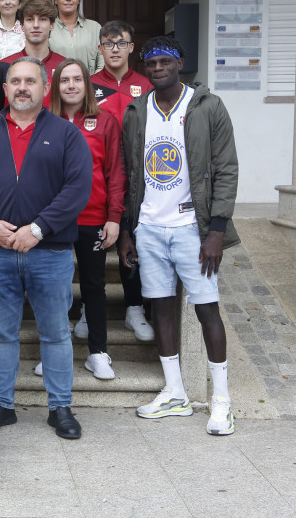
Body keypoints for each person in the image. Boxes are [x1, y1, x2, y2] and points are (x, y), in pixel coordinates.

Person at [0, 57, 92, 439]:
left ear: (43, 87)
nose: (21, 87)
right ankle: (1, 405)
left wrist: (38, 228)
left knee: (55, 333)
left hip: (49, 253)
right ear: (4, 89)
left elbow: (77, 189)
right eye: (14, 81)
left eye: (29, 81)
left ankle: (60, 407)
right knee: (0, 333)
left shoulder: (67, 134)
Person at [118, 36, 239, 436]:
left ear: (180, 63)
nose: (157, 68)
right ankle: (175, 393)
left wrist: (216, 230)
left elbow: (226, 168)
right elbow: (130, 173)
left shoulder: (207, 106)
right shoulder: (137, 110)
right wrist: (129, 231)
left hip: (193, 229)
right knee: (162, 309)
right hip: (149, 227)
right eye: (150, 63)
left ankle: (221, 400)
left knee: (206, 308)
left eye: (165, 61)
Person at [47, 58, 123, 380]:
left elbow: (115, 172)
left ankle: (98, 352)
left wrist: (114, 216)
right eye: (65, 80)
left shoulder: (105, 121)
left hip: (93, 218)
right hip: (53, 221)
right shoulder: (44, 122)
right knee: (54, 288)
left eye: (77, 79)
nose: (72, 85)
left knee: (93, 285)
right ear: (56, 86)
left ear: (87, 84)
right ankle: (53, 353)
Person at [90, 20, 155, 342]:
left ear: (131, 48)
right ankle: (90, 309)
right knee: (95, 244)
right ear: (99, 49)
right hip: (97, 178)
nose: (114, 50)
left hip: (139, 178)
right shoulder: (86, 85)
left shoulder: (147, 84)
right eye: (108, 44)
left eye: (121, 43)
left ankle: (134, 307)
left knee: (132, 241)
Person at [0, 0, 66, 110]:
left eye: (42, 19)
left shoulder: (64, 66)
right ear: (22, 26)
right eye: (30, 19)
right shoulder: (4, 66)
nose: (36, 25)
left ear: (52, 25)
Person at [49, 0, 104, 74]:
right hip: (56, 86)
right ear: (56, 0)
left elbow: (103, 61)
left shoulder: (95, 28)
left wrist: (92, 84)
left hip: (90, 86)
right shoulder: (47, 28)